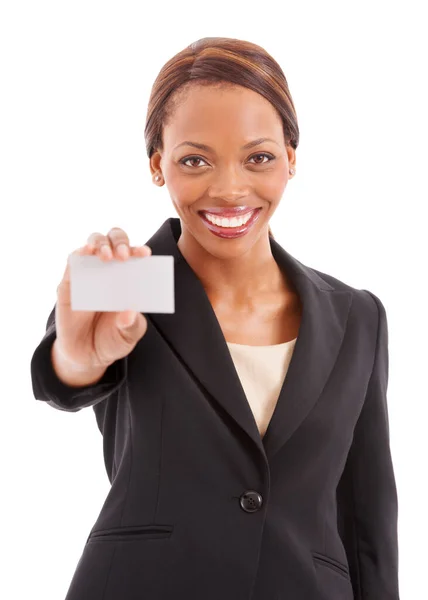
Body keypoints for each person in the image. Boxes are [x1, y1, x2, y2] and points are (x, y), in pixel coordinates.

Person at [30, 37, 400, 600]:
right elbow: (64, 375)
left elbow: (366, 518)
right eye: (195, 160)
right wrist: (78, 359)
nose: (230, 188)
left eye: (259, 157)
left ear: (291, 158)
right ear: (158, 165)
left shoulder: (356, 316)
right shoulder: (125, 281)